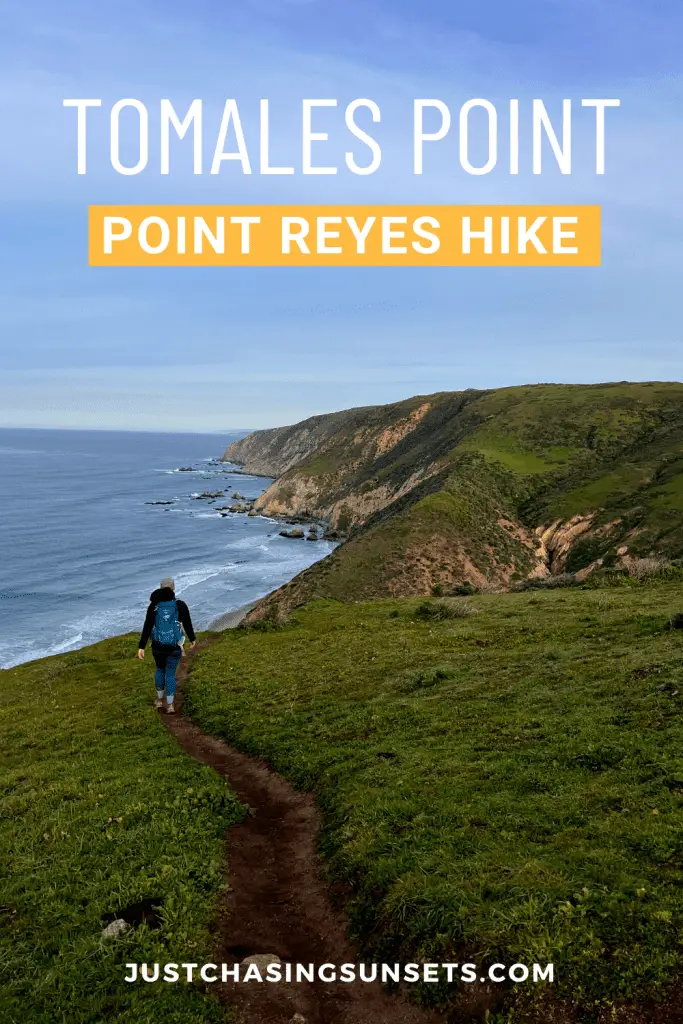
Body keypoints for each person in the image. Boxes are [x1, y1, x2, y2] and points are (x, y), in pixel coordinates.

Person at [137, 577, 196, 714]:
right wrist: (192, 639)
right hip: (174, 647)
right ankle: (170, 705)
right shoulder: (180, 605)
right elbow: (187, 623)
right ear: (173, 588)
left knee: (159, 670)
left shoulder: (154, 607)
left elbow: (147, 626)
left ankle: (158, 701)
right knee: (170, 674)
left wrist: (141, 646)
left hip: (158, 647)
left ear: (160, 588)